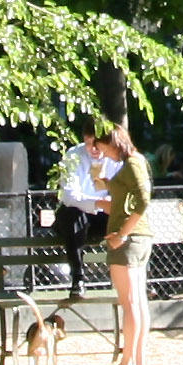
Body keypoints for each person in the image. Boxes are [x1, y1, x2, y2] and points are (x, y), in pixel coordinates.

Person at [96, 122, 154, 365]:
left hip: (129, 240)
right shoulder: (132, 163)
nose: (104, 154)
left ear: (111, 142)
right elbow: (131, 197)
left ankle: (127, 362)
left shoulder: (132, 162)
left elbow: (143, 200)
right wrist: (108, 184)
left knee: (129, 303)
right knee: (138, 302)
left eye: (103, 148)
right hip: (138, 238)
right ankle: (138, 361)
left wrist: (121, 234)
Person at [53, 126, 111, 299]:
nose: (94, 149)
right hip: (78, 214)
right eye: (89, 144)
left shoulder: (114, 157)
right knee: (71, 213)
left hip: (103, 215)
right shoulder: (73, 155)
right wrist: (95, 202)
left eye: (98, 145)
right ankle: (77, 278)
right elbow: (70, 195)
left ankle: (135, 276)